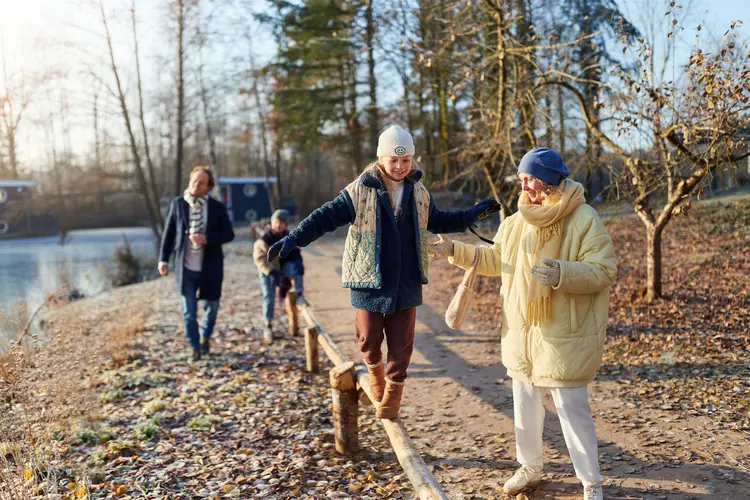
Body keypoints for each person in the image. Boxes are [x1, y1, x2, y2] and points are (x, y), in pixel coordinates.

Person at [267, 125, 499, 419]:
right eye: (394, 160)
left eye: (406, 160)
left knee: (402, 341)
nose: (401, 167)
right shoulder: (360, 190)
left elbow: (436, 220)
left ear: (413, 159)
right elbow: (325, 216)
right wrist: (294, 238)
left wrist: (470, 215)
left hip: (407, 277)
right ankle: (374, 369)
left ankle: (394, 391)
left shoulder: (419, 191)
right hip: (369, 277)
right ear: (381, 159)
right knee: (369, 337)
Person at [429, 148, 617, 500]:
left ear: (549, 180)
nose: (524, 185)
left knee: (571, 406)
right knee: (525, 402)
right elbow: (497, 260)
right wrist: (453, 249)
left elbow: (604, 270)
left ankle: (591, 481)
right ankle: (530, 466)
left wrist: (563, 272)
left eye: (530, 179)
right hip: (521, 330)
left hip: (564, 332)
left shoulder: (583, 218)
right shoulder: (516, 222)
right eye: (522, 179)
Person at [158, 166, 235, 362]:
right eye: (193, 180)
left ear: (208, 188)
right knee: (189, 312)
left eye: (200, 182)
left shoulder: (217, 207)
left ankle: (205, 337)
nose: (195, 185)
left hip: (210, 268)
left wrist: (206, 238)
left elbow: (229, 234)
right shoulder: (178, 204)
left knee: (212, 307)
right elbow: (168, 234)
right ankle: (194, 347)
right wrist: (163, 259)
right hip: (186, 269)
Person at [253, 209, 306, 334]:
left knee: (296, 269)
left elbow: (294, 253)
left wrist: (298, 261)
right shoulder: (264, 239)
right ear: (271, 223)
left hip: (282, 267)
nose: (278, 225)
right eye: (276, 222)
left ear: (286, 225)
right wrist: (273, 273)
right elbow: (259, 259)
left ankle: (299, 295)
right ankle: (268, 324)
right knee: (269, 296)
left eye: (281, 223)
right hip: (268, 271)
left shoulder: (289, 238)